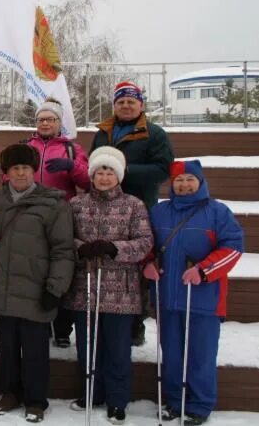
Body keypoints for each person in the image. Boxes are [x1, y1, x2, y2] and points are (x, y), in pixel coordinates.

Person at [146, 161, 243, 426]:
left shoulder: (217, 212)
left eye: (190, 179)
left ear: (200, 182)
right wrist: (148, 263)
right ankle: (175, 402)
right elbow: (147, 244)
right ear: (172, 184)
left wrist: (203, 270)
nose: (184, 184)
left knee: (201, 354)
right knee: (173, 353)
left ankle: (199, 405)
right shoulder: (159, 211)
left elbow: (233, 248)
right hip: (167, 296)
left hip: (204, 299)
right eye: (179, 180)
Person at [63, 146, 154, 425]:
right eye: (99, 172)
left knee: (117, 350)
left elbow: (145, 242)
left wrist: (114, 248)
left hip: (120, 290)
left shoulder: (133, 205)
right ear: (91, 175)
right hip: (85, 286)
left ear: (119, 175)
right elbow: (64, 239)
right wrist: (82, 248)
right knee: (87, 347)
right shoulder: (76, 205)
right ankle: (93, 393)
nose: (104, 177)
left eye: (109, 172)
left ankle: (117, 400)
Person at [0, 143, 75, 424]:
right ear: (7, 172)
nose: (21, 173)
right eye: (15, 168)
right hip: (4, 286)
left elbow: (63, 250)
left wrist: (55, 287)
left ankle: (36, 400)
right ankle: (10, 392)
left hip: (37, 289)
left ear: (33, 171)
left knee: (35, 350)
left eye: (25, 168)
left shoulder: (53, 203)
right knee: (8, 346)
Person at [91, 81, 174, 346]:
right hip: (103, 204)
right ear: (114, 105)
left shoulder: (154, 133)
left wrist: (124, 171)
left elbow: (163, 169)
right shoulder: (104, 132)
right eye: (121, 102)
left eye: (131, 101)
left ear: (141, 104)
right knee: (104, 258)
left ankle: (135, 324)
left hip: (137, 205)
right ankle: (101, 318)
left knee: (135, 265)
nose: (126, 106)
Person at [26, 97, 90, 348]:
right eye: (41, 119)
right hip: (31, 214)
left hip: (61, 214)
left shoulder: (72, 148)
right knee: (35, 268)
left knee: (61, 269)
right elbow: (11, 176)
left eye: (50, 119)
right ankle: (40, 321)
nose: (45, 123)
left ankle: (63, 327)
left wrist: (71, 166)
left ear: (58, 123)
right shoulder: (27, 146)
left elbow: (87, 181)